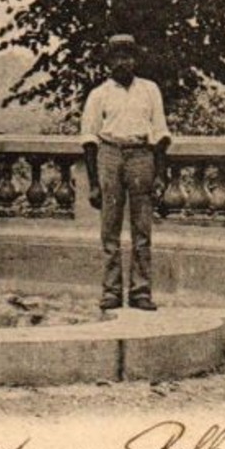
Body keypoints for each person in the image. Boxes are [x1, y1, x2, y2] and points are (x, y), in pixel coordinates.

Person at [80, 34, 171, 311]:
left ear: (136, 60)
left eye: (128, 56)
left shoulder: (149, 90)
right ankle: (111, 291)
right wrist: (94, 184)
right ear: (109, 61)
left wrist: (160, 174)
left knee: (142, 228)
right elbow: (89, 139)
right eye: (117, 56)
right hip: (110, 154)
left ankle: (141, 292)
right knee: (110, 228)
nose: (123, 62)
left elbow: (160, 133)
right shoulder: (99, 95)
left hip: (142, 155)